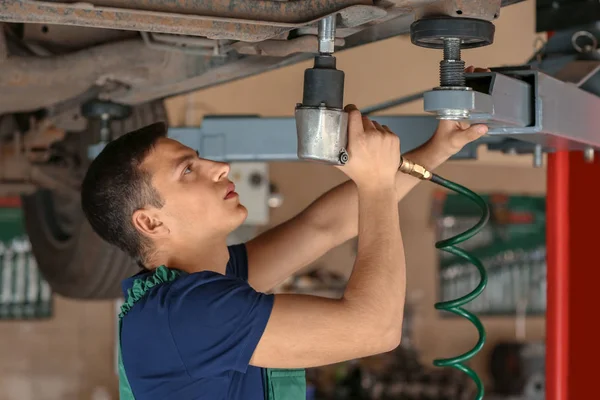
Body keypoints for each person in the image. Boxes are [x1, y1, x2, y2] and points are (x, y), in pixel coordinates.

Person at [81, 99, 487, 399]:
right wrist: (375, 185)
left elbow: (324, 226)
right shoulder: (188, 313)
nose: (218, 166)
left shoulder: (197, 289)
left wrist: (436, 150)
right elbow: (375, 329)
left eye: (198, 159)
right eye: (188, 170)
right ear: (151, 222)